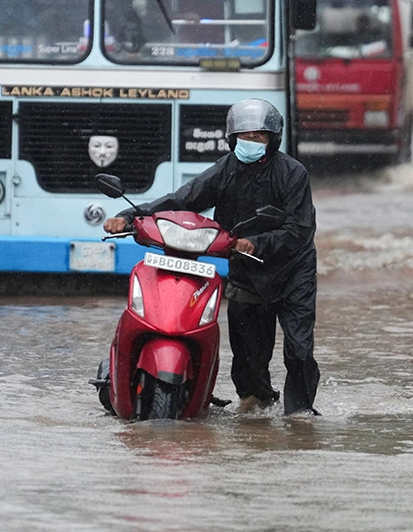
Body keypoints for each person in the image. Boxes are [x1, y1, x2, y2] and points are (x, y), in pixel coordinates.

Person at [103, 99, 320, 415]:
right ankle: (256, 402)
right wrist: (129, 216)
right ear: (233, 138)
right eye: (245, 136)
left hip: (292, 271)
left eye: (259, 136)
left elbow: (300, 229)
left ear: (273, 139)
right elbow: (183, 199)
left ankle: (300, 414)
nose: (252, 142)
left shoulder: (293, 173)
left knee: (299, 350)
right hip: (246, 269)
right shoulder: (225, 170)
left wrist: (256, 243)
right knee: (248, 353)